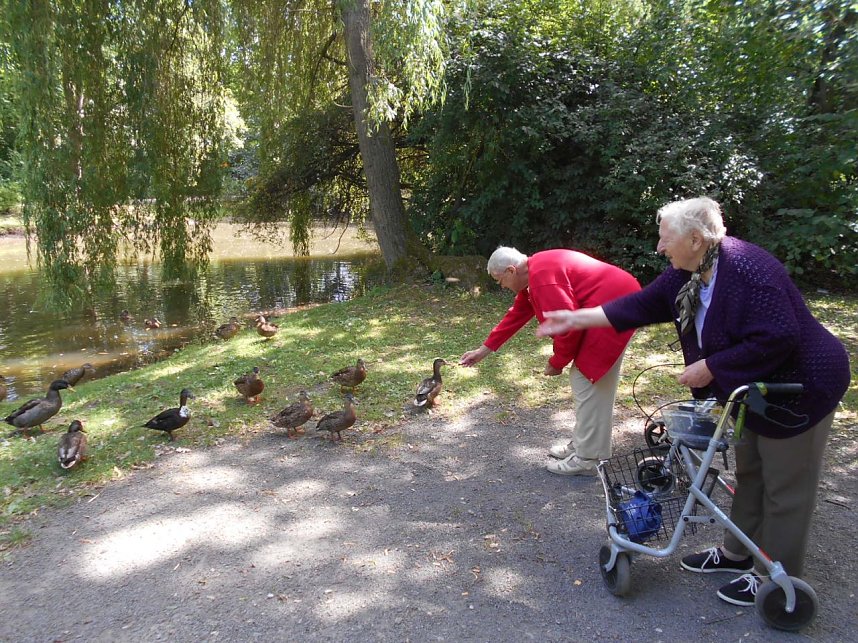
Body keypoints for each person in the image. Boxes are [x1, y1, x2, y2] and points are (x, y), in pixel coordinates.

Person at [536, 197, 851, 606]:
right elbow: (641, 304)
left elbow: (779, 336)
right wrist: (578, 318)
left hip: (801, 388)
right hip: (754, 388)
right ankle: (738, 555)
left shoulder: (749, 271)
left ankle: (777, 578)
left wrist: (712, 367)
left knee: (785, 487)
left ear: (697, 239)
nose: (660, 248)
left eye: (666, 239)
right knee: (752, 473)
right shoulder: (691, 271)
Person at [459, 246, 641, 475]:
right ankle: (584, 446)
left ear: (511, 270)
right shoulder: (535, 272)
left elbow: (567, 328)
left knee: (588, 379)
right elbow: (517, 313)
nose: (501, 286)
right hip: (611, 307)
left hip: (615, 309)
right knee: (588, 381)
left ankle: (587, 460)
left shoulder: (543, 280)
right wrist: (484, 350)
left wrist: (556, 362)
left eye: (500, 280)